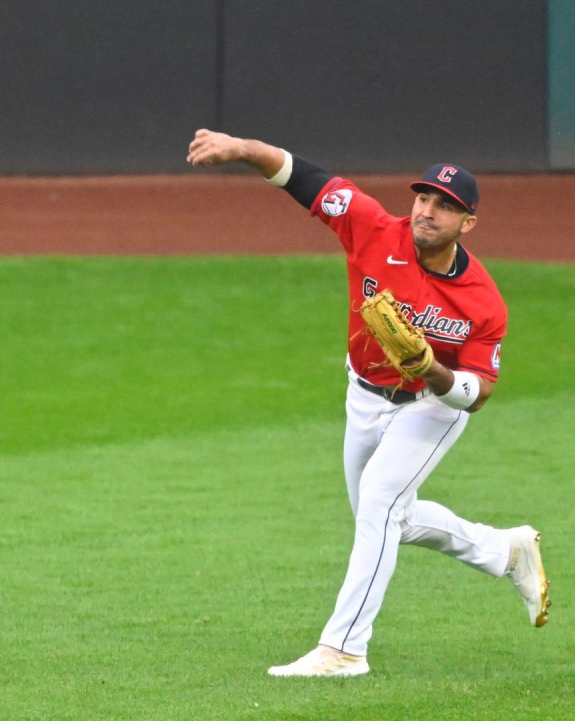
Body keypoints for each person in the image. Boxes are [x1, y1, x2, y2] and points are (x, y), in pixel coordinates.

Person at [186, 129, 550, 677]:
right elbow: (302, 178)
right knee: (384, 519)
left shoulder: (483, 301)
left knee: (380, 501)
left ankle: (344, 649)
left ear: (467, 223)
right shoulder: (373, 227)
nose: (428, 211)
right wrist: (241, 148)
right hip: (362, 393)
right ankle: (505, 552)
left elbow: (478, 393)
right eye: (424, 198)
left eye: (446, 206)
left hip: (432, 407)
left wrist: (433, 371)